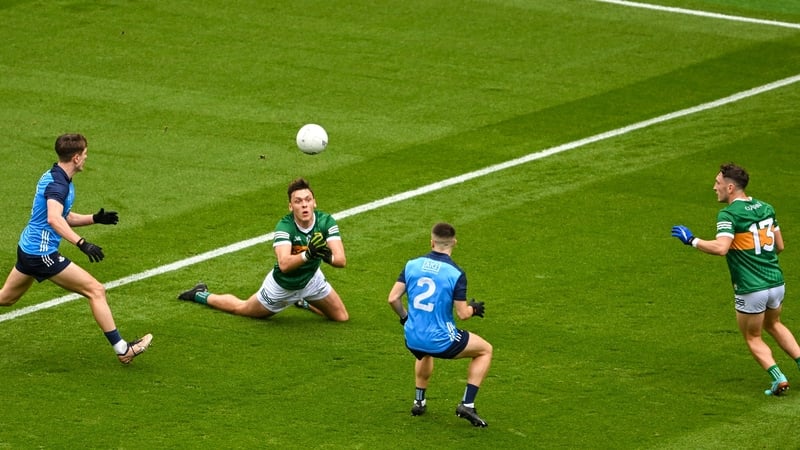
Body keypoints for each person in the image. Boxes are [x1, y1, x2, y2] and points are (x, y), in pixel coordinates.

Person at [0, 133, 152, 364]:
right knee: (95, 290)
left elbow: (64, 215)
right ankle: (123, 350)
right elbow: (53, 218)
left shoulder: (56, 176)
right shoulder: (58, 185)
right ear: (76, 158)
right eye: (85, 154)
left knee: (7, 298)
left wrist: (95, 219)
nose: (87, 158)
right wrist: (82, 243)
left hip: (29, 247)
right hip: (41, 254)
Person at [672, 162, 800, 396]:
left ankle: (778, 378)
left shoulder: (729, 214)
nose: (714, 187)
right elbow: (779, 246)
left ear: (730, 188)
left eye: (718, 183)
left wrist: (692, 240)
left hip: (751, 288)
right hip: (776, 282)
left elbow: (721, 248)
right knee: (774, 324)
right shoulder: (767, 207)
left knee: (752, 336)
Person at [178, 178, 349, 322]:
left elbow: (340, 261)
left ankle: (304, 301)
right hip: (282, 287)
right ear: (291, 207)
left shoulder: (326, 222)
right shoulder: (285, 226)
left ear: (314, 202)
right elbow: (284, 265)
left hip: (312, 281)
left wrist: (326, 256)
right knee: (242, 309)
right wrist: (308, 254)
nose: (304, 205)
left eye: (307, 200)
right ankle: (200, 294)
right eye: (298, 201)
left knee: (341, 318)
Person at [387, 222, 493, 427]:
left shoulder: (412, 265)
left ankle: (419, 401)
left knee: (423, 352)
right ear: (454, 242)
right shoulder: (455, 273)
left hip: (413, 336)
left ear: (431, 242)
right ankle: (467, 404)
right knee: (485, 350)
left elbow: (392, 299)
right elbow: (462, 314)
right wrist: (474, 309)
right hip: (441, 340)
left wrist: (404, 319)